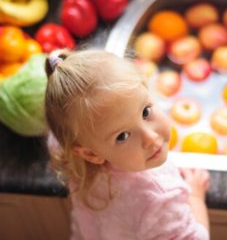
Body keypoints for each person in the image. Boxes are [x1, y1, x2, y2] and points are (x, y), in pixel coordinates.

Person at [45, 48, 210, 240]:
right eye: (122, 136)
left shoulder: (68, 149)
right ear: (90, 154)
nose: (151, 138)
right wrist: (196, 197)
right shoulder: (161, 196)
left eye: (146, 112)